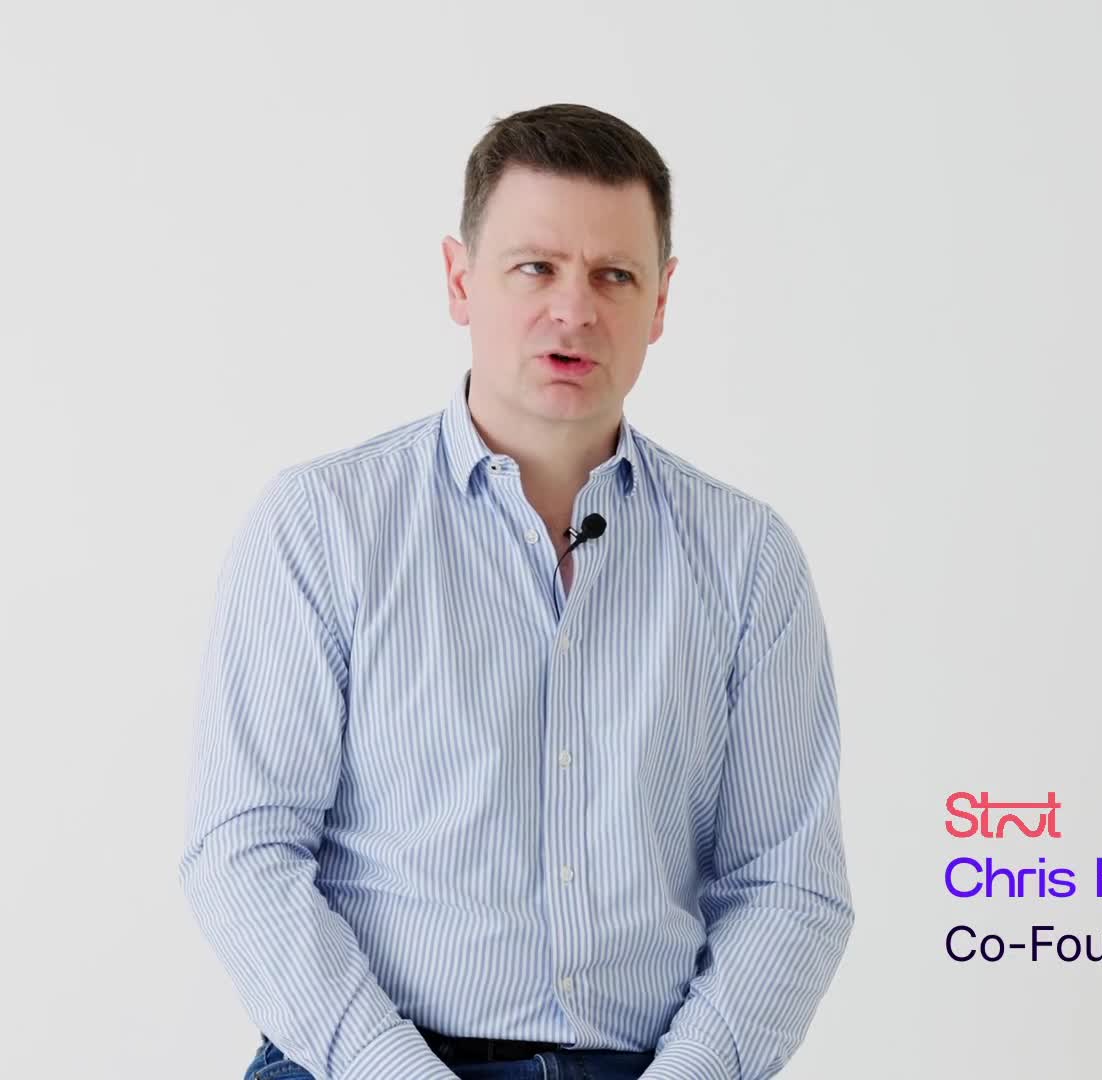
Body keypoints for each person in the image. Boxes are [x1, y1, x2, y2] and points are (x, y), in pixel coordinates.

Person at [179, 102, 854, 1080]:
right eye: (535, 267)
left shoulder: (749, 560)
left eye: (614, 276)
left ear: (662, 302)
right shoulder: (322, 525)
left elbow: (789, 886)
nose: (574, 310)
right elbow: (242, 851)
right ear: (461, 280)